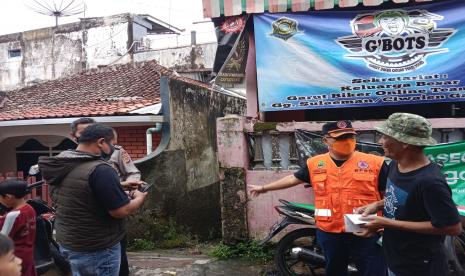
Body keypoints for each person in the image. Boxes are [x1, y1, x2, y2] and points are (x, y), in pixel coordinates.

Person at [249, 120, 387, 276]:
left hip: (364, 228)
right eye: (340, 138)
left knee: (373, 271)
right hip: (330, 230)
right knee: (334, 270)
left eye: (350, 136)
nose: (347, 141)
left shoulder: (375, 163)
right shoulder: (315, 163)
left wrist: (382, 222)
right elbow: (293, 179)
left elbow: (392, 196)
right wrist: (264, 188)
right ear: (325, 140)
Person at [355, 113, 462, 276]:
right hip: (396, 257)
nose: (380, 141)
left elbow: (452, 227)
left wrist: (387, 223)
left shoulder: (430, 183)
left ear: (404, 143)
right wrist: (377, 205)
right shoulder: (395, 165)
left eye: (385, 136)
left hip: (419, 266)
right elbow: (405, 197)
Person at [38, 123, 148, 276]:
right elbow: (120, 211)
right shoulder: (101, 169)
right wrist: (139, 198)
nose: (115, 149)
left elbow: (80, 190)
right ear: (101, 142)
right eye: (113, 144)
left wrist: (119, 185)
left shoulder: (61, 163)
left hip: (69, 242)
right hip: (98, 247)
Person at [70, 118, 142, 276]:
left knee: (118, 258)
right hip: (93, 226)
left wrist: (123, 187)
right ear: (73, 136)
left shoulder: (116, 151)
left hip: (110, 213)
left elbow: (132, 173)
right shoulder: (69, 160)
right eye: (83, 132)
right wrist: (139, 198)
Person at [0, 179, 37, 276]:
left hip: (14, 256)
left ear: (8, 197)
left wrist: (4, 219)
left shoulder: (12, 216)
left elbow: (2, 239)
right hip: (28, 254)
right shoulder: (30, 209)